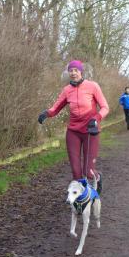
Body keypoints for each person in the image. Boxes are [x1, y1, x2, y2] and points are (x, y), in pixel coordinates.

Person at [38, 60, 109, 191]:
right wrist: (46, 113)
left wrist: (96, 118)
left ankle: (98, 177)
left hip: (90, 131)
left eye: (76, 70)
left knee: (88, 172)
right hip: (73, 132)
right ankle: (81, 197)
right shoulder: (67, 90)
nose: (73, 73)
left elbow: (105, 107)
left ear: (81, 72)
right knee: (76, 173)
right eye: (71, 71)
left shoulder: (92, 86)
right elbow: (56, 108)